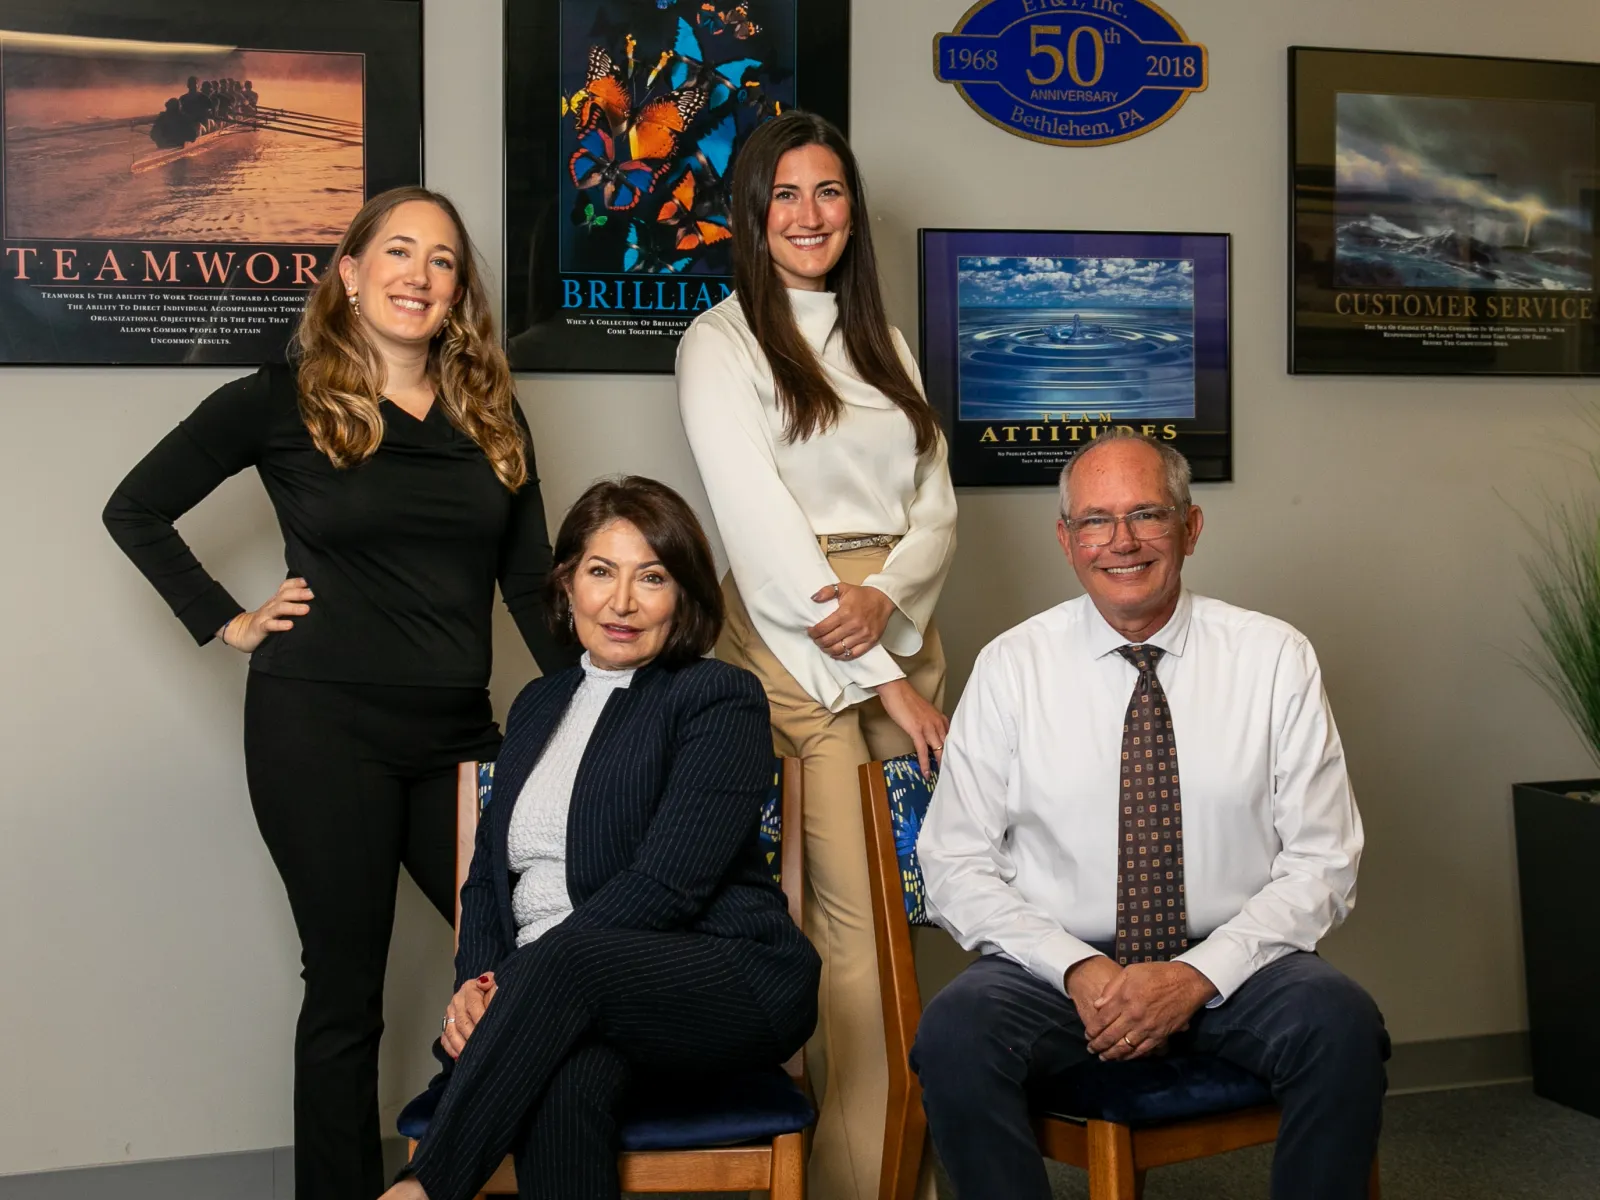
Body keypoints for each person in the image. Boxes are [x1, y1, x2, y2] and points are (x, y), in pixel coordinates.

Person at [103, 186, 576, 1200]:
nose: (418, 274)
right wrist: (226, 617)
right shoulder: (282, 398)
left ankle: (448, 1170)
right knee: (347, 995)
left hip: (460, 734)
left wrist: (605, 703)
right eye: (397, 252)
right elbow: (135, 507)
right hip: (318, 729)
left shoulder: (492, 412)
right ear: (350, 274)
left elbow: (531, 586)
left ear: (459, 292)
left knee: (526, 953)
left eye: (442, 260)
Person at [911, 430, 1390, 1200]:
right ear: (1066, 541)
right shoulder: (1012, 667)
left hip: (1238, 959)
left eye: (1147, 515)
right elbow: (953, 862)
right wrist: (1077, 966)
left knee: (1339, 1025)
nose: (1122, 542)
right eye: (1096, 521)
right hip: (1057, 966)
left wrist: (1197, 974)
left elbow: (1323, 860)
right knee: (956, 1033)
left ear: (1190, 528)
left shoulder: (1274, 658)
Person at [380, 476, 821, 1200]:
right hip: (559, 999)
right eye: (600, 572)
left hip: (725, 978)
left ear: (684, 594)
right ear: (566, 584)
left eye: (651, 577)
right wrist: (474, 985)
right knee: (561, 1081)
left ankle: (422, 1190)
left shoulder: (716, 698)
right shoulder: (538, 705)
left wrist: (510, 984)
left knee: (572, 966)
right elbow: (491, 880)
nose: (621, 603)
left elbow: (666, 888)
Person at [675, 110, 956, 1200]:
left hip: (902, 625)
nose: (807, 214)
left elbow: (934, 502)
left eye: (827, 191)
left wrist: (890, 601)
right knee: (850, 933)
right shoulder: (719, 342)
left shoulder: (885, 338)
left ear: (852, 207)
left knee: (917, 908)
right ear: (751, 212)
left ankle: (906, 1165)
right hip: (801, 650)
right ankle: (858, 1182)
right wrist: (875, 662)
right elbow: (756, 527)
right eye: (782, 194)